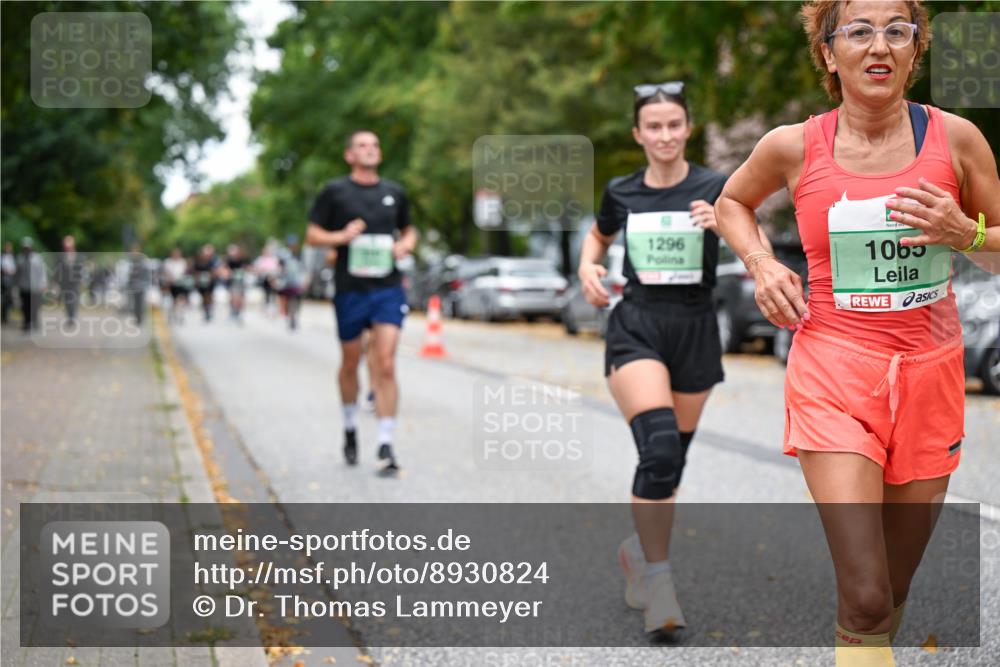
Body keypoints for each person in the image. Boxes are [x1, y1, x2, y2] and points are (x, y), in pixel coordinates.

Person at [714, 2, 999, 664]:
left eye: (898, 31)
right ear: (827, 52)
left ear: (915, 50)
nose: (880, 45)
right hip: (834, 373)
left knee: (890, 593)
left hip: (931, 374)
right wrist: (760, 262)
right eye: (860, 31)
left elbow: (996, 248)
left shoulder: (957, 140)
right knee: (866, 594)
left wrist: (970, 233)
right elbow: (733, 202)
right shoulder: (792, 145)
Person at [578, 82, 770, 635]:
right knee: (660, 447)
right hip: (637, 323)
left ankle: (638, 553)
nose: (664, 135)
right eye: (653, 126)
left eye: (674, 125)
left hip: (695, 326)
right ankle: (659, 583)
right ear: (638, 134)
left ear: (688, 129)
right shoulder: (622, 191)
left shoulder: (718, 186)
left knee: (671, 461)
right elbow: (596, 238)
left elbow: (758, 246)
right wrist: (588, 269)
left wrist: (724, 224)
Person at [306, 129, 417, 474]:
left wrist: (405, 245)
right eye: (362, 146)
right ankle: (350, 426)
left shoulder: (393, 192)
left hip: (387, 288)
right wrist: (340, 236)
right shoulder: (335, 192)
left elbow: (410, 230)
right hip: (350, 288)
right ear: (349, 155)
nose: (370, 150)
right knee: (351, 362)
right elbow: (312, 235)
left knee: (385, 362)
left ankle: (386, 443)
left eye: (374, 145)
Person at [15, 237, 47, 333]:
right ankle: (26, 323)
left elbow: (42, 271)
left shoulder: (37, 258)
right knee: (25, 306)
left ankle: (34, 321)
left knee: (35, 305)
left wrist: (44, 283)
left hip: (35, 286)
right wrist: (16, 284)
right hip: (24, 286)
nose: (26, 250)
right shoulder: (20, 258)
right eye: (25, 248)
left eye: (28, 248)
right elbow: (17, 273)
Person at [57, 235, 84, 324]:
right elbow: (59, 269)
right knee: (67, 301)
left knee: (74, 300)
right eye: (65, 245)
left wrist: (81, 280)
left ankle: (72, 317)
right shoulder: (61, 256)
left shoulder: (77, 256)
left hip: (75, 282)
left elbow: (81, 269)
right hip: (65, 282)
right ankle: (69, 317)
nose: (67, 247)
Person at [192, 244, 221, 323]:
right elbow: (194, 272)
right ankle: (205, 310)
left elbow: (216, 271)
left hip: (210, 282)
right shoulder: (198, 261)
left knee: (209, 295)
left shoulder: (214, 261)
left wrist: (211, 275)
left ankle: (209, 309)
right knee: (203, 297)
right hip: (201, 283)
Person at [161, 247, 190, 324]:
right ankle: (173, 313)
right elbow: (166, 272)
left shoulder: (182, 262)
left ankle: (180, 314)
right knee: (173, 300)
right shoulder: (168, 262)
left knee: (181, 299)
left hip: (181, 283)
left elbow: (185, 271)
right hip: (172, 283)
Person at [223, 243, 249, 324]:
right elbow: (225, 270)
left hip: (241, 282)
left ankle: (238, 313)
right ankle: (233, 312)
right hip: (232, 282)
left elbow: (249, 268)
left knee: (240, 298)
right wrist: (228, 274)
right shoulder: (229, 260)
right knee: (233, 297)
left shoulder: (243, 260)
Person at [1, 241, 15, 325]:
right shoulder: (2, 257)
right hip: (4, 282)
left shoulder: (11, 257)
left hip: (10, 281)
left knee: (9, 300)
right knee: (5, 300)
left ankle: (6, 316)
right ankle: (4, 317)